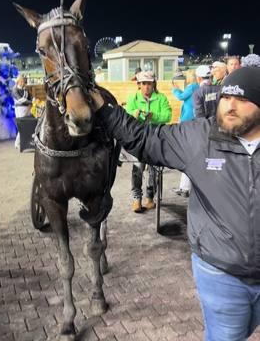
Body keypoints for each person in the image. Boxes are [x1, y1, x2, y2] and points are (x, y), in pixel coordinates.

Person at [90, 67, 260, 340]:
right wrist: (104, 109)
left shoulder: (161, 99)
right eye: (226, 97)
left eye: (242, 99)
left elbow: (165, 114)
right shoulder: (199, 138)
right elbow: (144, 137)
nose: (230, 106)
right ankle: (140, 196)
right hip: (222, 274)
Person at [125, 70, 172, 212]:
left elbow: (168, 115)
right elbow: (127, 115)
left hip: (155, 140)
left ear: (154, 84)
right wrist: (134, 114)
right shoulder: (133, 98)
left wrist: (153, 116)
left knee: (153, 170)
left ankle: (150, 198)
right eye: (143, 84)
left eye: (149, 84)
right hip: (138, 140)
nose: (146, 87)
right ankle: (136, 199)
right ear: (139, 85)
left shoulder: (161, 98)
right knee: (137, 169)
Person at [172, 70, 199, 197]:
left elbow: (180, 97)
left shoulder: (193, 86)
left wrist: (175, 89)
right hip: (190, 120)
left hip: (188, 120)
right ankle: (185, 187)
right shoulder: (196, 87)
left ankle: (185, 187)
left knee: (186, 154)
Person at [12, 75, 32, 148]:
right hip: (20, 110)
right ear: (19, 81)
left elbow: (30, 97)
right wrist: (31, 102)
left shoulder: (25, 90)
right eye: (22, 81)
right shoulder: (15, 89)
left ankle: (26, 142)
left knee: (28, 126)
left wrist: (32, 101)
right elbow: (20, 100)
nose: (23, 83)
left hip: (28, 109)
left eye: (23, 81)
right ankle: (17, 143)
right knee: (22, 126)